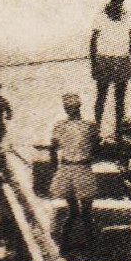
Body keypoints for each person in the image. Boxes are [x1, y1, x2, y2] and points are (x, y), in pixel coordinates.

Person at [90, 0, 131, 142]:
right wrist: (94, 64)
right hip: (104, 59)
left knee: (120, 99)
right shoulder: (100, 15)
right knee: (101, 97)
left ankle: (118, 132)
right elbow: (93, 42)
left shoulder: (128, 15)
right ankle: (97, 131)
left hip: (122, 59)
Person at [50, 93, 99, 251]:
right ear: (79, 107)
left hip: (66, 169)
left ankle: (64, 245)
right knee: (86, 213)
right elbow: (97, 147)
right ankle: (91, 245)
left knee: (73, 212)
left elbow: (53, 149)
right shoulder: (90, 126)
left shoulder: (59, 126)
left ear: (66, 109)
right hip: (83, 169)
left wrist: (55, 169)